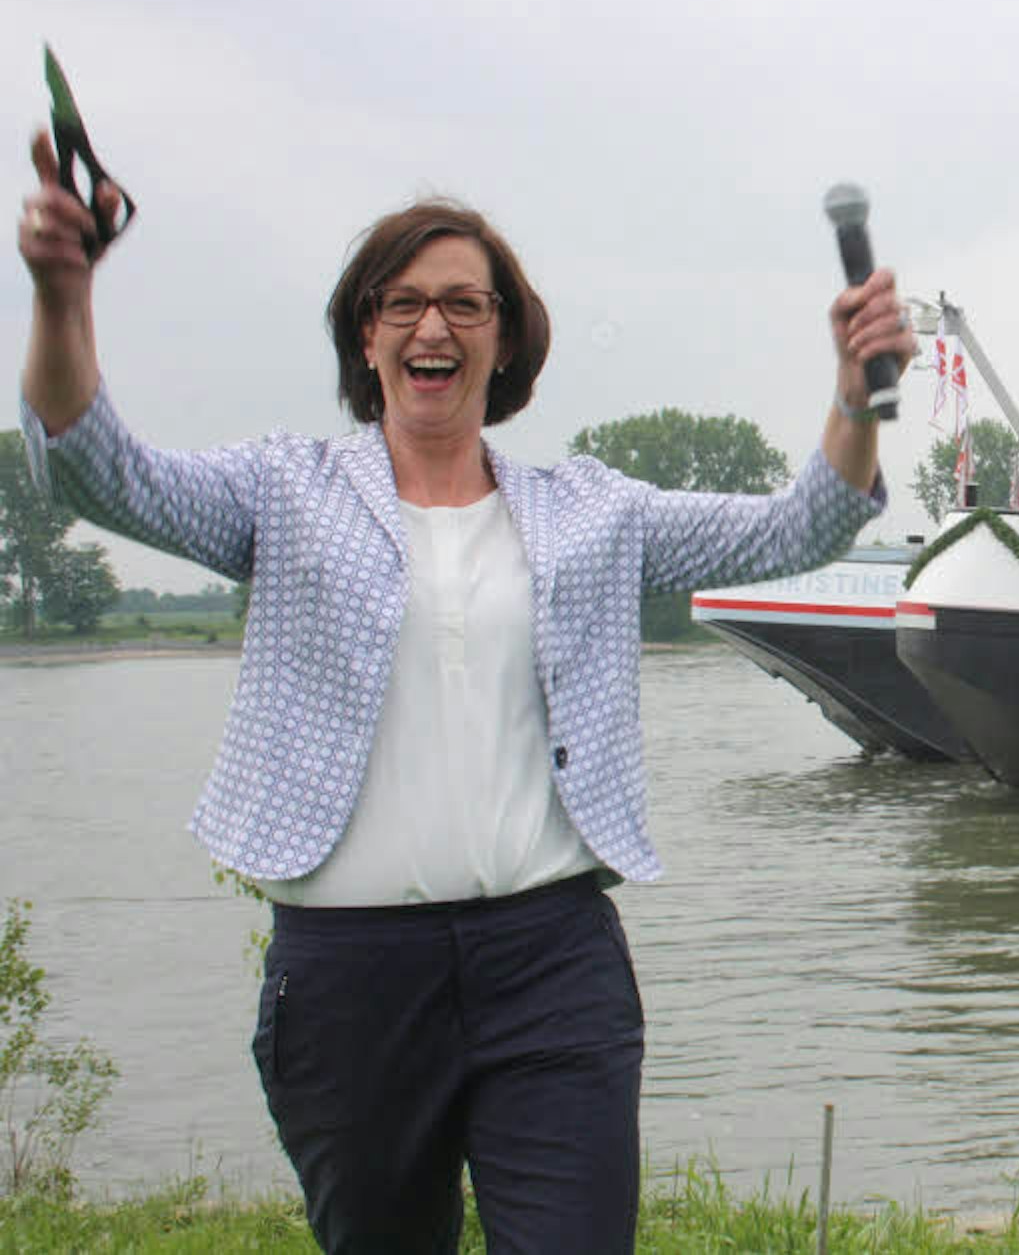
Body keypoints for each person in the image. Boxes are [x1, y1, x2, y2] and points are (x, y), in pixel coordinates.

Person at [17, 131, 911, 1253]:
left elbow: (801, 526)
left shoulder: (592, 511)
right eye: (401, 303)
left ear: (506, 337)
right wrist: (62, 297)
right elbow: (97, 470)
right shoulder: (283, 493)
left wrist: (855, 398)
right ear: (366, 336)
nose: (431, 326)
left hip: (551, 964)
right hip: (347, 976)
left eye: (462, 304)